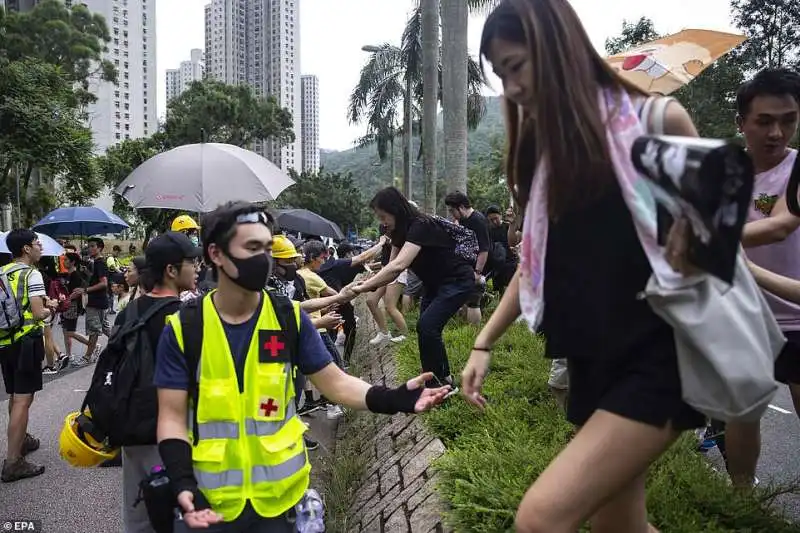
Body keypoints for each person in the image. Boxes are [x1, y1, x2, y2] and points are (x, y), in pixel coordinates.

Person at [461, 2, 707, 532]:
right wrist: (483, 343)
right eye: (501, 74)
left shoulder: (657, 120)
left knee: (540, 519)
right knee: (618, 526)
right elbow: (532, 266)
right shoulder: (546, 157)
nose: (512, 87)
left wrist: (694, 241)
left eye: (517, 66)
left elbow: (717, 237)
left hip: (662, 355)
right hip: (593, 360)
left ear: (558, 48)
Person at [154, 202, 449, 532]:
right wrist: (181, 482)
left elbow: (336, 384)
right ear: (216, 254)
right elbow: (171, 417)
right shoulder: (183, 329)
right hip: (207, 508)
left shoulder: (287, 320)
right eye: (252, 247)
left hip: (282, 507)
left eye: (267, 247)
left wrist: (393, 399)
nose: (264, 258)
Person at [707, 67, 800, 489]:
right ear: (741, 123)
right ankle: (742, 499)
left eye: (789, 120)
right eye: (764, 121)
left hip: (797, 315)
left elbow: (780, 225)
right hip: (744, 316)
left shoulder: (798, 169)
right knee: (741, 413)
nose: (777, 132)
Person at [353, 187, 474, 391]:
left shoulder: (420, 225)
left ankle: (443, 383)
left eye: (383, 216)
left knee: (428, 326)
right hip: (435, 284)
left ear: (395, 210)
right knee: (424, 328)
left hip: (457, 280)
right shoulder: (399, 233)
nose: (382, 222)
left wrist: (365, 286)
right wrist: (368, 284)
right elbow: (390, 268)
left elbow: (400, 265)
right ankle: (432, 378)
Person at [118, 231, 201, 532]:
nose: (198, 268)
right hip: (171, 430)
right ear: (171, 270)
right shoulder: (184, 318)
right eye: (192, 262)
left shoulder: (128, 312)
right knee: (175, 512)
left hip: (130, 426)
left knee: (139, 513)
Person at [1, 229, 58, 482]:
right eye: (37, 243)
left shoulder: (3, 271)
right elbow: (37, 313)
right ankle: (13, 461)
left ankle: (21, 439)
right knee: (24, 400)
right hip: (26, 341)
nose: (40, 247)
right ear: (26, 248)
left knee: (15, 396)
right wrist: (50, 307)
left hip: (5, 342)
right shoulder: (32, 273)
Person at [319, 239, 388, 357]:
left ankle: (341, 359)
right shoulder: (338, 264)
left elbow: (367, 265)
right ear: (347, 254)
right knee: (339, 331)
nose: (354, 255)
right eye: (352, 253)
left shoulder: (325, 268)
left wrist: (385, 267)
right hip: (334, 302)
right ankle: (342, 360)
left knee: (335, 331)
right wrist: (381, 243)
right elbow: (363, 257)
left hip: (331, 302)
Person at [445, 192, 491, 325]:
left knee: (473, 301)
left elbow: (484, 249)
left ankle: (473, 334)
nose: (452, 214)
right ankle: (466, 329)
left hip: (479, 266)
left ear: (461, 207)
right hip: (467, 265)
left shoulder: (478, 220)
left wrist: (477, 272)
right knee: (465, 297)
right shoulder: (463, 219)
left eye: (452, 210)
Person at [73, 237, 111, 365]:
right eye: (88, 246)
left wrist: (85, 290)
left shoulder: (100, 262)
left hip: (96, 302)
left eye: (92, 246)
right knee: (106, 329)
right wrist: (87, 273)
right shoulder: (94, 262)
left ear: (99, 248)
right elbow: (95, 279)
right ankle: (126, 347)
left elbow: (104, 283)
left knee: (93, 330)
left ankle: (87, 357)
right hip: (99, 301)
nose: (89, 248)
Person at [61, 252, 91, 364]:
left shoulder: (76, 275)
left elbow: (76, 293)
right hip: (66, 305)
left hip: (72, 306)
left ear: (73, 262)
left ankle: (93, 345)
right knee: (65, 331)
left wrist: (66, 299)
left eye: (66, 260)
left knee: (70, 332)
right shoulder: (67, 274)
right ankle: (69, 355)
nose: (64, 262)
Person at [485, 205, 519, 295]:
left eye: (495, 218)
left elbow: (515, 240)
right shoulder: (489, 231)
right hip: (497, 265)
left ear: (500, 215)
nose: (494, 221)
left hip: (510, 263)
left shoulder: (507, 226)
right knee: (499, 291)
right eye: (491, 220)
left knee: (510, 290)